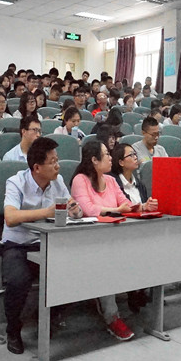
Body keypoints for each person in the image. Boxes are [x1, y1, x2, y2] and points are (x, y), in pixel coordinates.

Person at [2, 137, 83, 354]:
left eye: (57, 160)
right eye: (53, 162)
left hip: (47, 242)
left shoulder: (58, 181)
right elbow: (10, 217)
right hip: (17, 244)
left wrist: (76, 210)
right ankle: (13, 330)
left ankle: (48, 317)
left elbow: (71, 206)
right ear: (37, 167)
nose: (58, 166)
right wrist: (47, 212)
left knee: (77, 272)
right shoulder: (16, 182)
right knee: (18, 280)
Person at [70, 141, 136, 341]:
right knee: (107, 262)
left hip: (113, 237)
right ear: (94, 160)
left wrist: (141, 207)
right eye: (106, 154)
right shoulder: (80, 180)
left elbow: (126, 203)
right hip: (87, 241)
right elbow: (88, 209)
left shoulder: (111, 180)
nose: (110, 157)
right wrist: (116, 210)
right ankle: (111, 317)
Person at [110, 143, 158, 212]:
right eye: (131, 155)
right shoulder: (114, 184)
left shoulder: (140, 184)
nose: (135, 157)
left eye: (135, 154)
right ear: (121, 162)